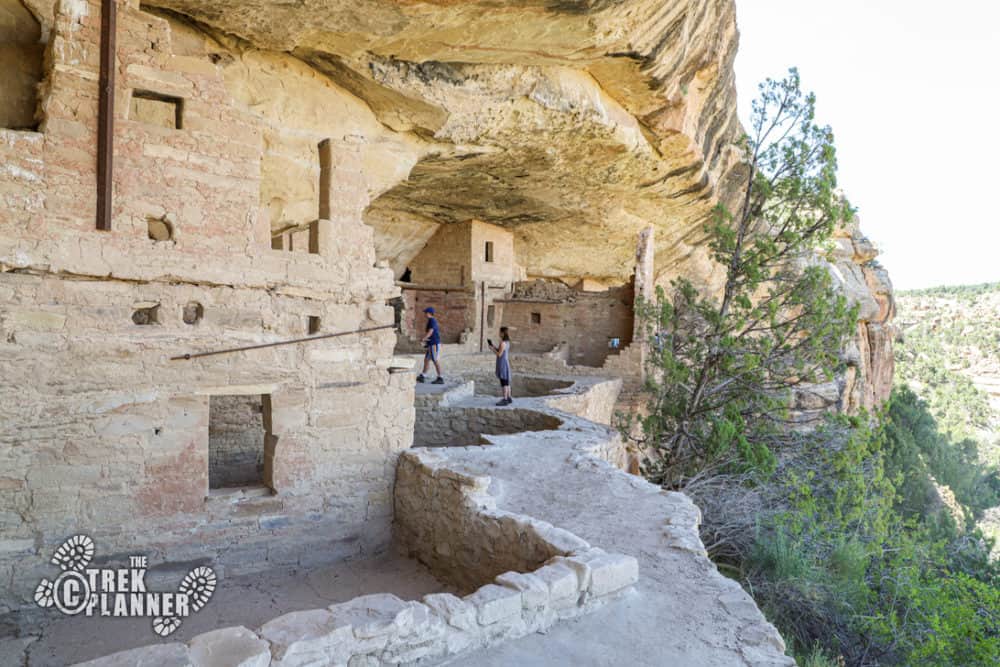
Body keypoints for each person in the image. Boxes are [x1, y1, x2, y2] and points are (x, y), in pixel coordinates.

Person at [416, 307, 444, 384]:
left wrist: (424, 339)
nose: (425, 314)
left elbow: (431, 331)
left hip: (433, 344)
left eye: (426, 312)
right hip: (431, 344)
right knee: (426, 360)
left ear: (429, 313)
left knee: (435, 360)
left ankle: (440, 377)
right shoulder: (431, 321)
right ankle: (423, 375)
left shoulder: (432, 321)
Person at [488, 326, 512, 406]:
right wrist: (494, 346)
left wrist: (492, 349)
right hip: (505, 362)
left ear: (502, 333)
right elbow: (500, 350)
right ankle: (509, 398)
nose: (499, 333)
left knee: (504, 382)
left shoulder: (502, 343)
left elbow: (499, 354)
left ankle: (505, 399)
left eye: (499, 332)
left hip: (502, 363)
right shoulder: (507, 342)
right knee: (507, 381)